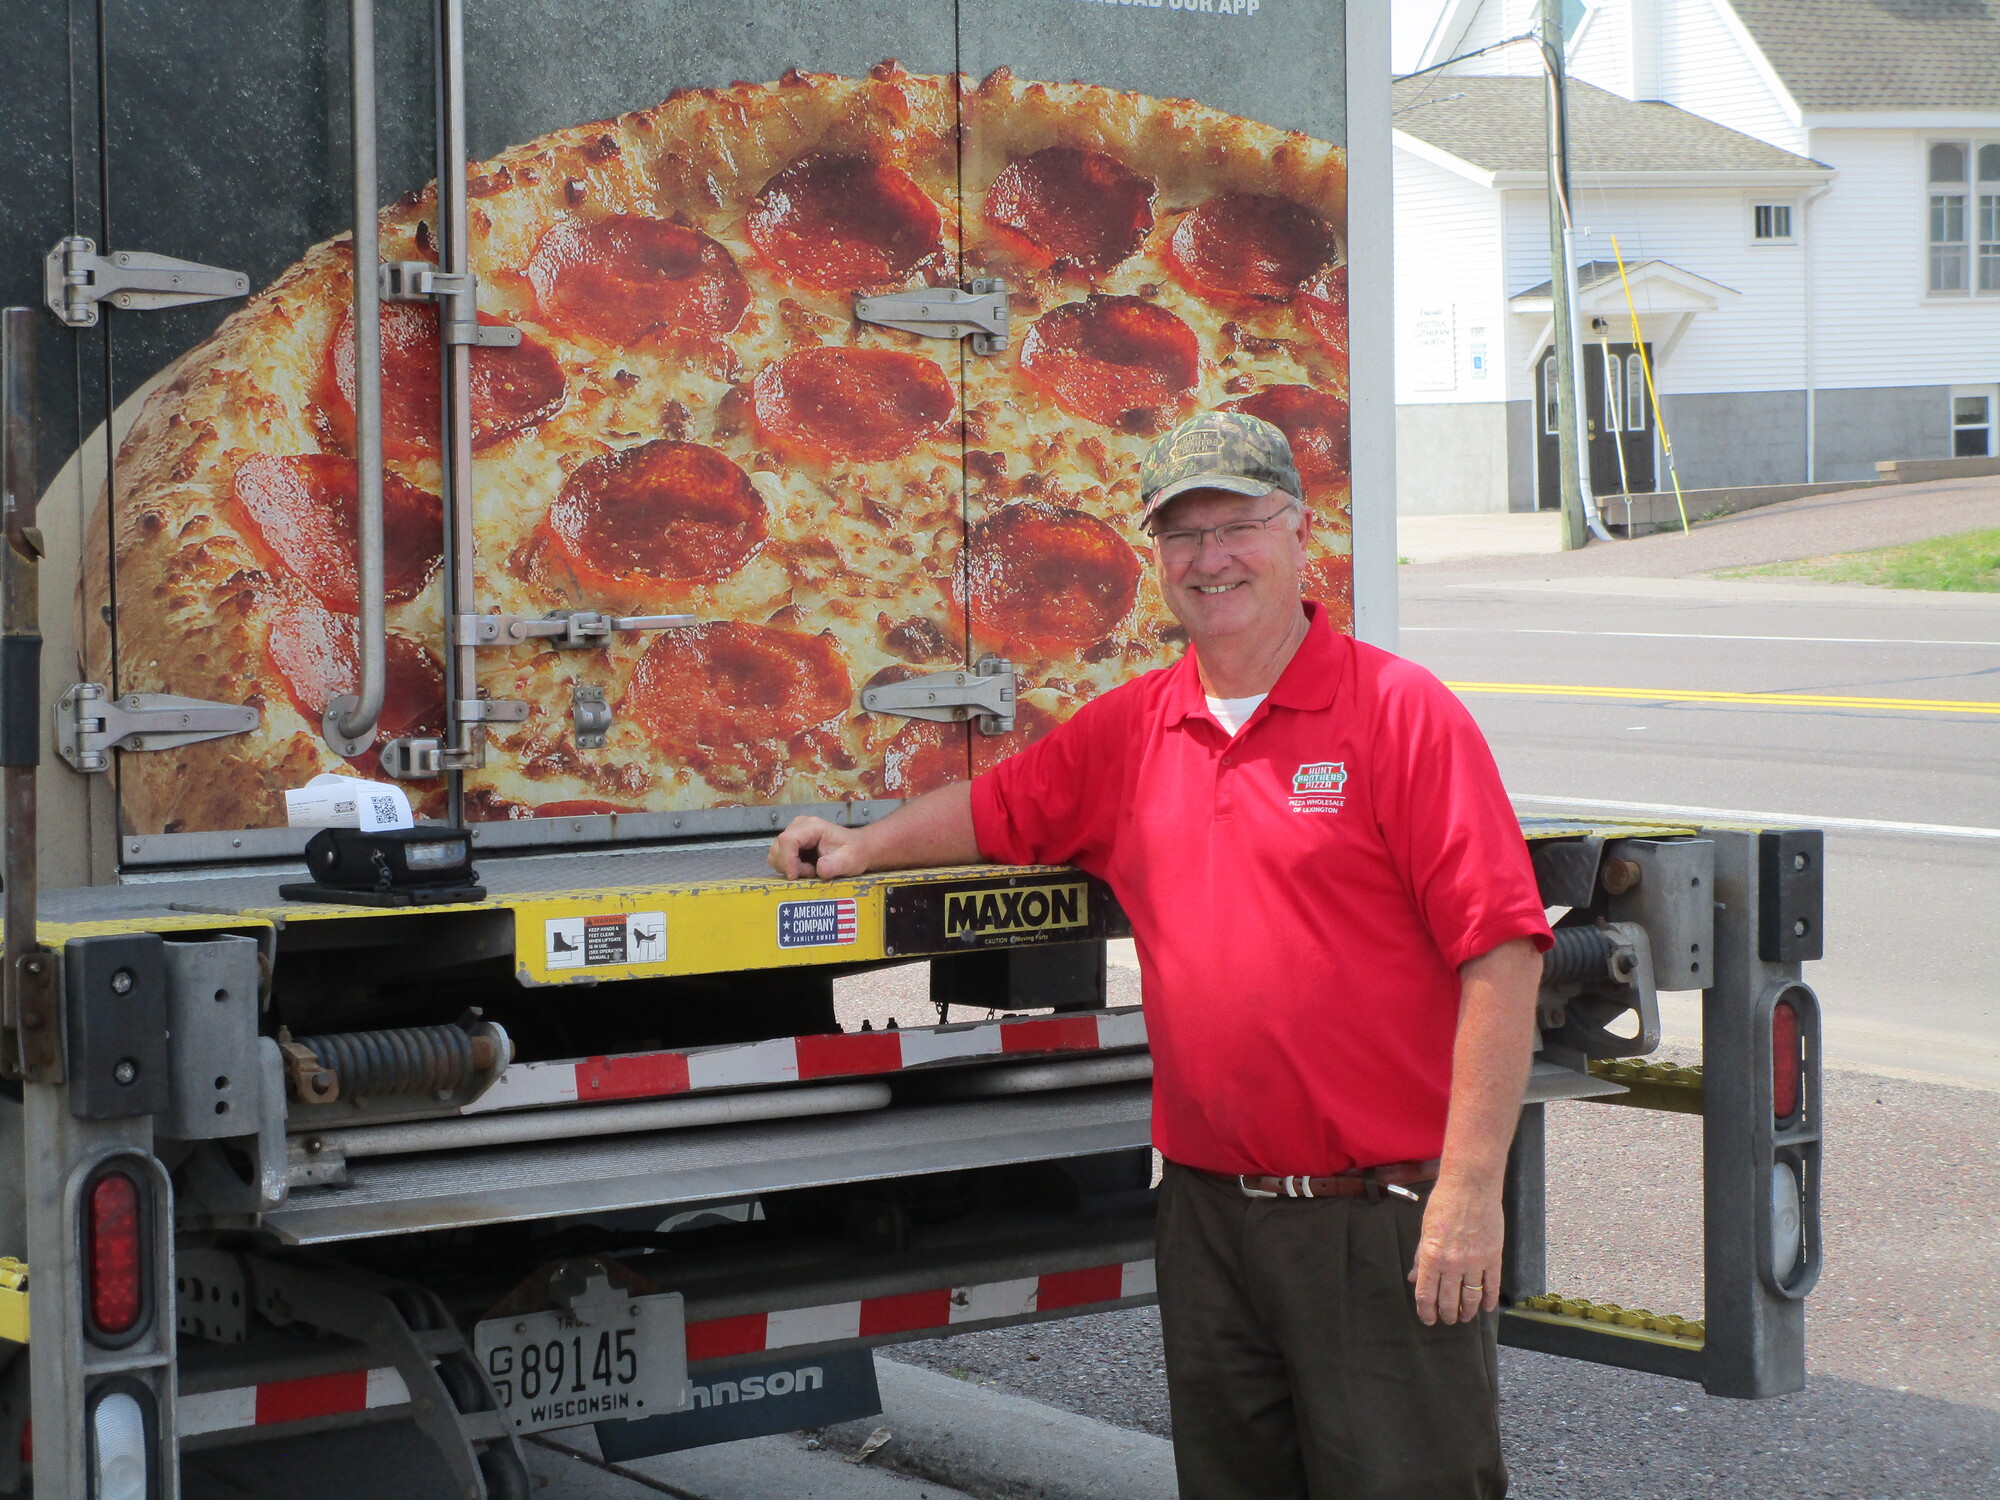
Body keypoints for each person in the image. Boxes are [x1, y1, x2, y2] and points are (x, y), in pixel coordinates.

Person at [768, 410, 1552, 1500]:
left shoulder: (1398, 716)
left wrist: (1469, 1193)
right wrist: (863, 847)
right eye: (1181, 536)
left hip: (1377, 1218)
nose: (1210, 558)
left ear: (1297, 535)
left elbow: (1502, 955)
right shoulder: (1135, 730)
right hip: (1208, 1219)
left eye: (1237, 525)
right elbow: (999, 808)